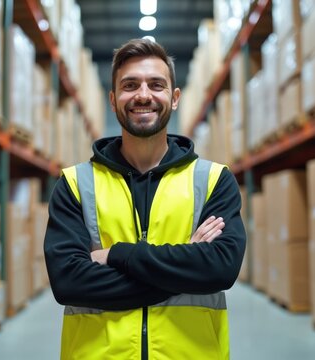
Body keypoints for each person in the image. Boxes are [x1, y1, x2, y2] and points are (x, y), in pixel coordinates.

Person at [44, 38, 247, 360]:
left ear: (174, 97)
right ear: (113, 99)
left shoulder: (212, 180)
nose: (143, 95)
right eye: (130, 85)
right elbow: (69, 282)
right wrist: (186, 264)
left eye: (156, 85)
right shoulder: (75, 184)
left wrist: (119, 255)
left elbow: (220, 269)